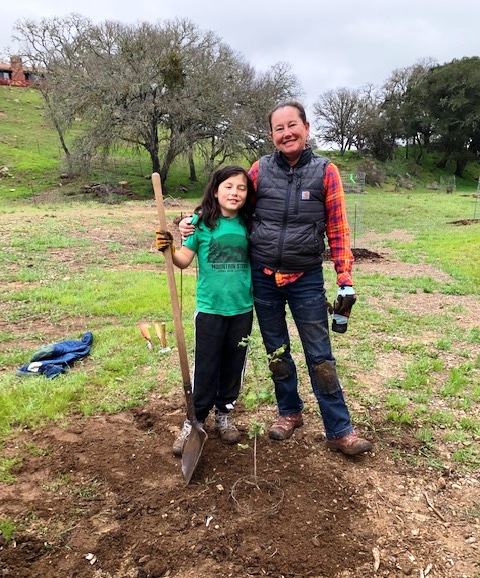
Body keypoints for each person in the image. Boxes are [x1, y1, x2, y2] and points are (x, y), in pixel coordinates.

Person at [179, 100, 372, 456]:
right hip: (264, 277)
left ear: (306, 127)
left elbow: (339, 229)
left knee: (320, 355)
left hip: (306, 278)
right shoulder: (259, 170)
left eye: (292, 125)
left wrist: (344, 277)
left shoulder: (326, 171)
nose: (287, 133)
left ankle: (339, 429)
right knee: (276, 351)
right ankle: (289, 412)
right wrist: (193, 221)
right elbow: (228, 203)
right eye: (279, 128)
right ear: (271, 135)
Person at [156, 165, 255, 456]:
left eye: (241, 188)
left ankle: (224, 413)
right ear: (215, 190)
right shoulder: (201, 224)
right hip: (210, 309)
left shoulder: (249, 224)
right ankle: (194, 420)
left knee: (234, 364)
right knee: (206, 367)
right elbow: (184, 260)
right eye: (228, 186)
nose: (234, 192)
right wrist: (169, 248)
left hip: (241, 309)